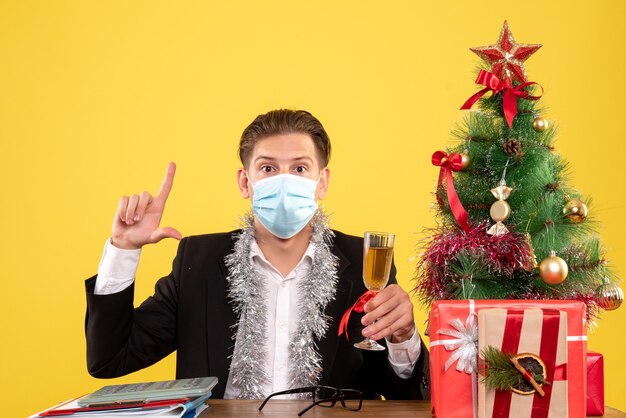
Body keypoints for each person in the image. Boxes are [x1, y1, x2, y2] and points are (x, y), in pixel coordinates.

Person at [85, 109, 430, 400]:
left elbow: (408, 395)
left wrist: (403, 339)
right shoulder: (199, 261)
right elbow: (110, 359)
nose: (283, 180)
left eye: (299, 169)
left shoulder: (363, 261)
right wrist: (123, 249)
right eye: (267, 168)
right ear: (244, 182)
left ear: (321, 182)